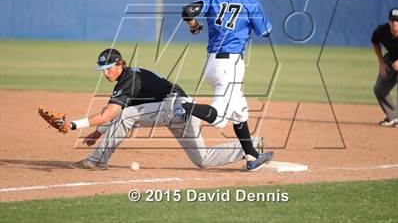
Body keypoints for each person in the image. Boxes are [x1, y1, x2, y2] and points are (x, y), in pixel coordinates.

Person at [69, 48, 271, 171]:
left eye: (109, 67)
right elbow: (114, 110)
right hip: (181, 110)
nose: (106, 73)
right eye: (102, 70)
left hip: (175, 106)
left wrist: (73, 125)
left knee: (127, 116)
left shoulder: (130, 79)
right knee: (203, 160)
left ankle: (96, 161)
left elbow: (111, 114)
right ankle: (251, 146)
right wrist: (97, 132)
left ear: (120, 64)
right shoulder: (127, 79)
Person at [181, 0, 274, 166]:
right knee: (218, 117)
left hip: (211, 64)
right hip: (230, 65)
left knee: (240, 110)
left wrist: (195, 26)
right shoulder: (251, 2)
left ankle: (252, 157)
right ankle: (182, 106)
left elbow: (187, 11)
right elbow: (266, 32)